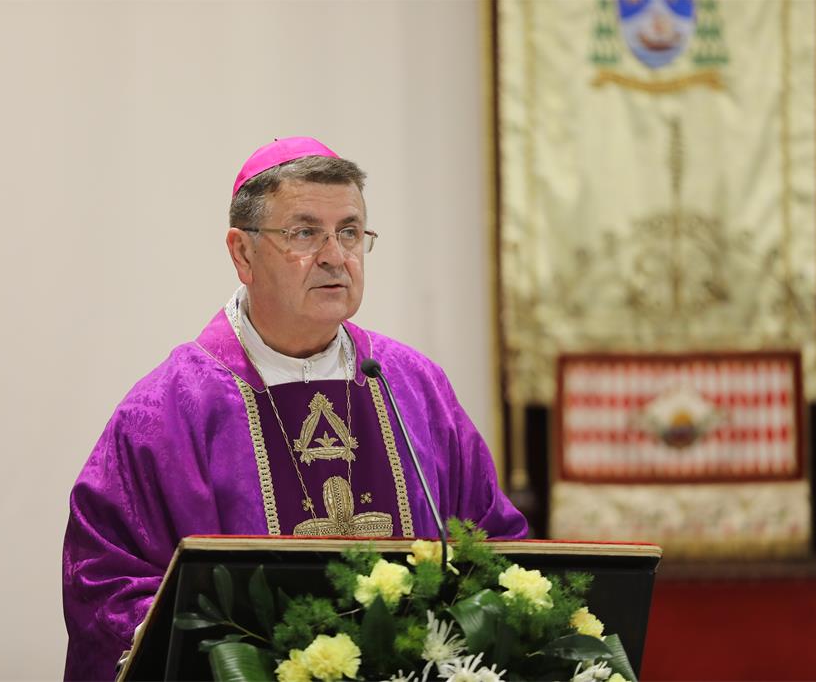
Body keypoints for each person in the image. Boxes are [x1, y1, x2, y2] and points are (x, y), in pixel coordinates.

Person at [62, 137, 528, 680]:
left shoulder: (413, 387)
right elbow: (107, 583)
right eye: (304, 233)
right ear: (243, 253)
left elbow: (492, 546)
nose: (334, 256)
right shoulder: (168, 411)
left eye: (349, 232)